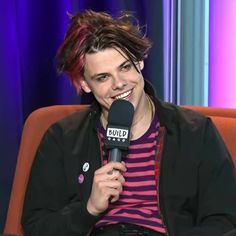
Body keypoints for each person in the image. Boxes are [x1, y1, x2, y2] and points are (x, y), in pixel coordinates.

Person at [21, 10, 236, 236]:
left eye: (124, 67)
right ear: (85, 84)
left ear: (139, 62)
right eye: (103, 77)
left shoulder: (195, 131)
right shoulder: (62, 138)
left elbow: (225, 219)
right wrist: (89, 209)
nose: (119, 84)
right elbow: (36, 226)